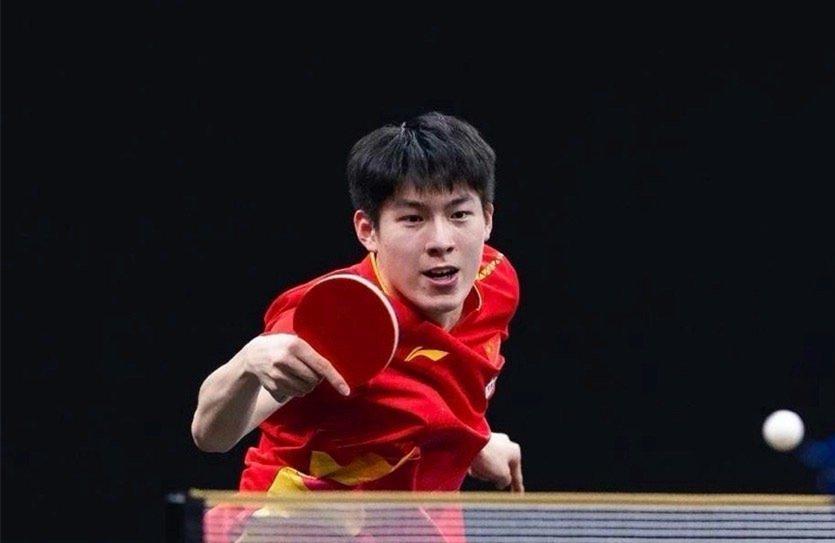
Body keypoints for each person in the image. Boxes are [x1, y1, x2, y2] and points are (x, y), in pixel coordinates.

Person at [191, 112, 523, 497]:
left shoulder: (496, 281)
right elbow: (210, 434)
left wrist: (471, 439)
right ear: (368, 231)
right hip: (298, 519)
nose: (441, 241)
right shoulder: (337, 319)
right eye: (413, 218)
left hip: (414, 516)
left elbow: (444, 377)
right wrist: (247, 365)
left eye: (459, 214)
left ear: (487, 219)